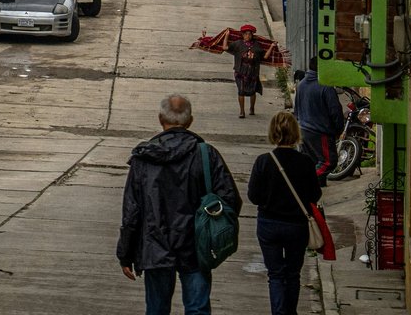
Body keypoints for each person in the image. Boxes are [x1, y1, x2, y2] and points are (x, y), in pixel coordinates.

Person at [118, 94, 240, 315]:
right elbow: (230, 199)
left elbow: (131, 210)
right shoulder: (206, 154)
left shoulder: (144, 158)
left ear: (160, 119)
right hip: (195, 245)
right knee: (197, 308)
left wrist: (125, 253)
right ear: (190, 121)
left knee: (156, 309)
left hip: (155, 246)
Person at [248, 112, 323, 315]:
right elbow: (315, 194)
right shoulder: (306, 162)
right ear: (296, 133)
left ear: (273, 132)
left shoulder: (263, 161)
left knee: (275, 274)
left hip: (269, 224)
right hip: (296, 226)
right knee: (292, 274)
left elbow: (253, 196)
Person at [293, 72, 346, 185]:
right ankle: (305, 181)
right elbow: (335, 110)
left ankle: (314, 188)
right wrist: (338, 129)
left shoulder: (301, 84)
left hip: (303, 129)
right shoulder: (326, 87)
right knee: (328, 162)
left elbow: (296, 108)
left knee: (311, 162)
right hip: (320, 132)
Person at [231, 25, 266, 118]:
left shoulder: (256, 45)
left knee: (252, 92)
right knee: (241, 91)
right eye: (246, 34)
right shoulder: (237, 44)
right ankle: (242, 111)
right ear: (242, 35)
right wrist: (226, 35)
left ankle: (252, 108)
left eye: (250, 34)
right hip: (240, 72)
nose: (248, 36)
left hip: (252, 73)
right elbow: (225, 47)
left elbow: (264, 56)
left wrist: (272, 46)